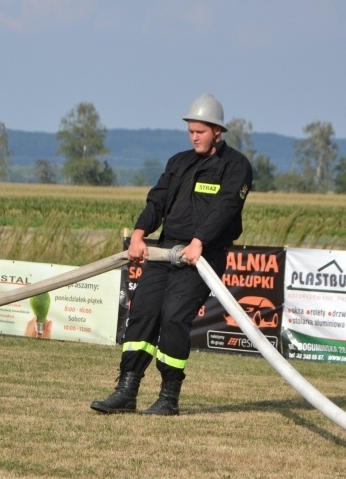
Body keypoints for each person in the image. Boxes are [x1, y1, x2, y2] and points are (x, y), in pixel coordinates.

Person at [90, 93, 253, 416]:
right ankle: (126, 390)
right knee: (143, 312)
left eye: (201, 132)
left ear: (217, 131)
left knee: (174, 317)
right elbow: (158, 200)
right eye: (191, 131)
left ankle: (168, 397)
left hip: (201, 257)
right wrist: (139, 234)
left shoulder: (236, 167)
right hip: (163, 252)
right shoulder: (179, 162)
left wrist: (199, 242)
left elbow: (225, 208)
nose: (194, 137)